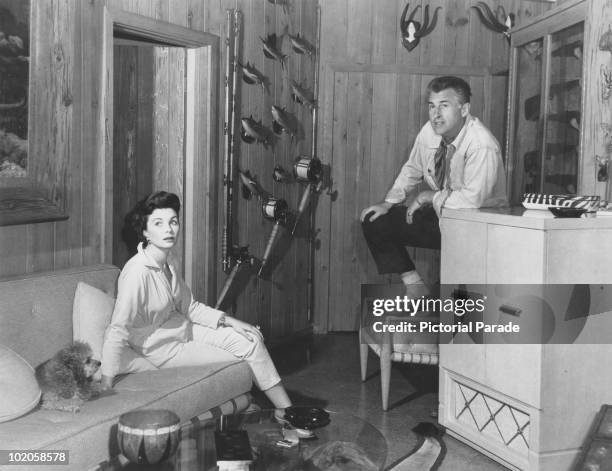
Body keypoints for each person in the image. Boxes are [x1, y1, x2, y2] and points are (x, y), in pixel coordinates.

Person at [100, 191, 292, 418]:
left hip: (184, 328)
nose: (168, 230)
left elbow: (190, 307)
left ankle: (286, 410)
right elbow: (118, 328)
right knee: (245, 355)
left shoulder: (169, 259)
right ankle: (287, 416)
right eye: (158, 224)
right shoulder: (136, 273)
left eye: (173, 222)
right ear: (145, 232)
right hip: (164, 349)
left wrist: (232, 322)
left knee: (249, 339)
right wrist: (105, 383)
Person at [360, 76, 507, 292]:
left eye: (444, 106)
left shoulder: (482, 145)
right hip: (444, 217)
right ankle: (415, 287)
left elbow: (471, 202)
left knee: (455, 303)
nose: (436, 115)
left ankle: (450, 293)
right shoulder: (430, 130)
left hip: (479, 230)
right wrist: (388, 203)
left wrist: (427, 196)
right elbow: (412, 168)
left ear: (464, 109)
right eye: (432, 106)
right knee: (375, 220)